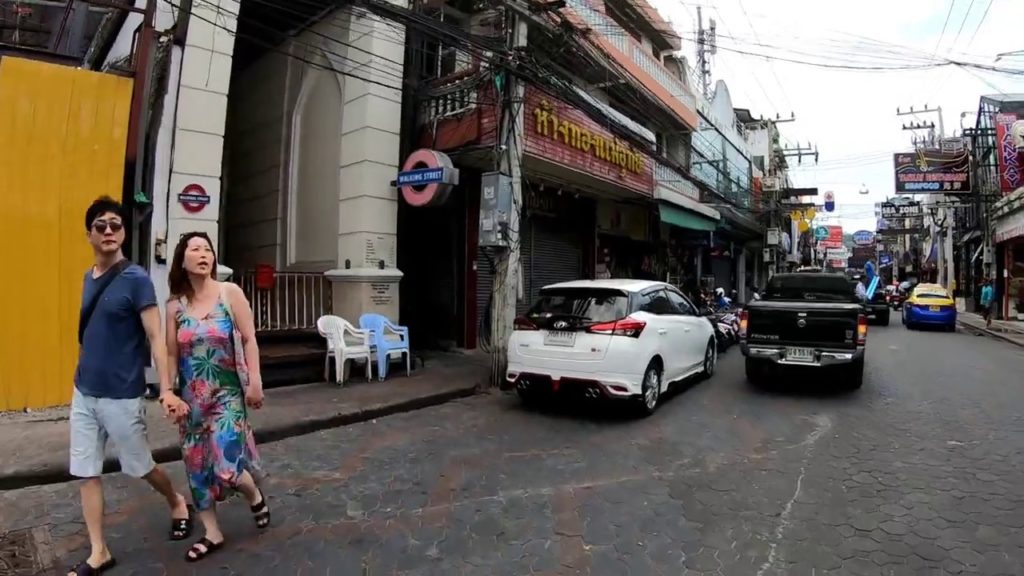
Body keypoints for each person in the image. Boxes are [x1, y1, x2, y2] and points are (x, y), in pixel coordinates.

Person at [69, 197, 193, 576]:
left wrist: (166, 388)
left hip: (123, 394)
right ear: (89, 233)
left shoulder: (136, 279)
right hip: (84, 393)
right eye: (100, 226)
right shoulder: (87, 278)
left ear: (123, 232)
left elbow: (156, 337)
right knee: (86, 471)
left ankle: (176, 501)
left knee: (139, 466)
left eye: (115, 225)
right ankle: (99, 550)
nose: (108, 231)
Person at [166, 232, 268, 562]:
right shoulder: (174, 307)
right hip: (191, 400)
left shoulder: (229, 293)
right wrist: (167, 392)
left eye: (207, 248)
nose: (203, 254)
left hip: (226, 395)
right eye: (195, 249)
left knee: (229, 468)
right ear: (182, 259)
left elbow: (250, 339)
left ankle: (253, 492)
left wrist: (255, 381)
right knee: (197, 466)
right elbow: (169, 354)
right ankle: (212, 532)